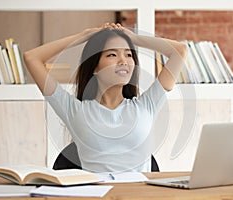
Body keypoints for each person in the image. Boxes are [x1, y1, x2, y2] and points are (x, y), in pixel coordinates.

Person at [24, 23, 187, 173]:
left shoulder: (147, 105)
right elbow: (32, 57)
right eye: (112, 55)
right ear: (94, 67)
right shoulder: (74, 110)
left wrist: (135, 38)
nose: (124, 61)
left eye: (128, 54)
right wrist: (82, 37)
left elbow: (180, 51)